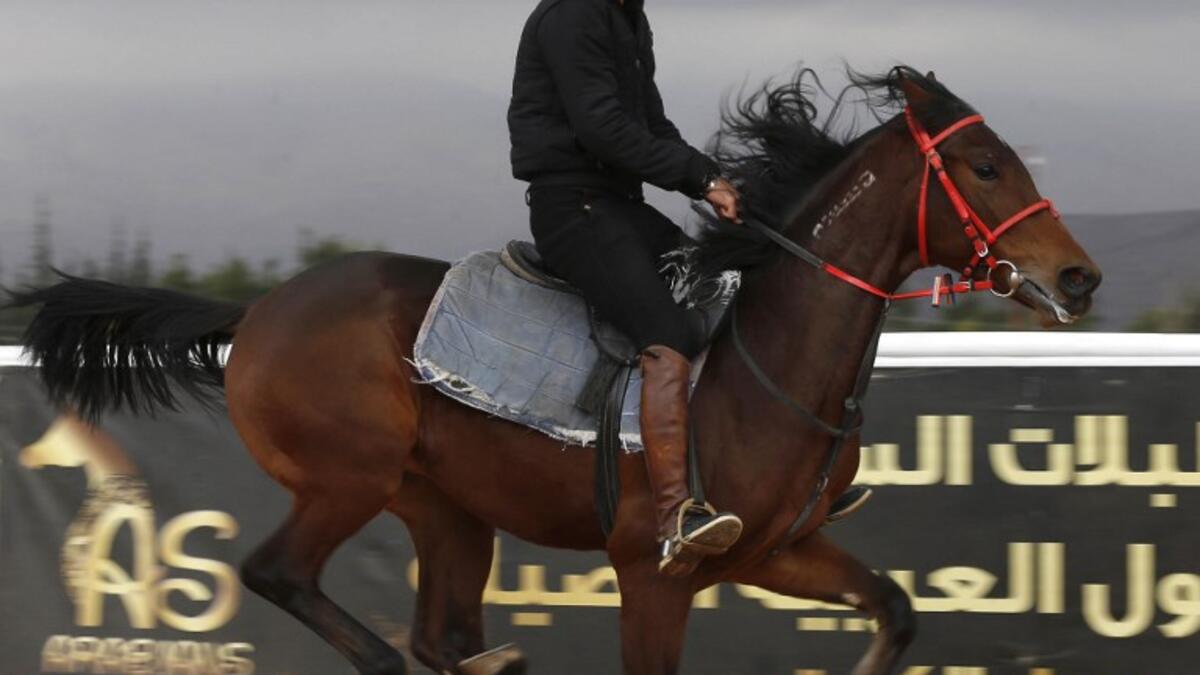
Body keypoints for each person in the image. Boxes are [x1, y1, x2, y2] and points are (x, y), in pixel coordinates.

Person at [508, 0, 870, 575]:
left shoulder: (627, 18)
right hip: (573, 212)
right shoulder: (573, 14)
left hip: (621, 208)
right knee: (669, 331)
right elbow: (602, 128)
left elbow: (651, 125)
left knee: (725, 290)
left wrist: (713, 177)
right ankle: (676, 514)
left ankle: (786, 479)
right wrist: (699, 179)